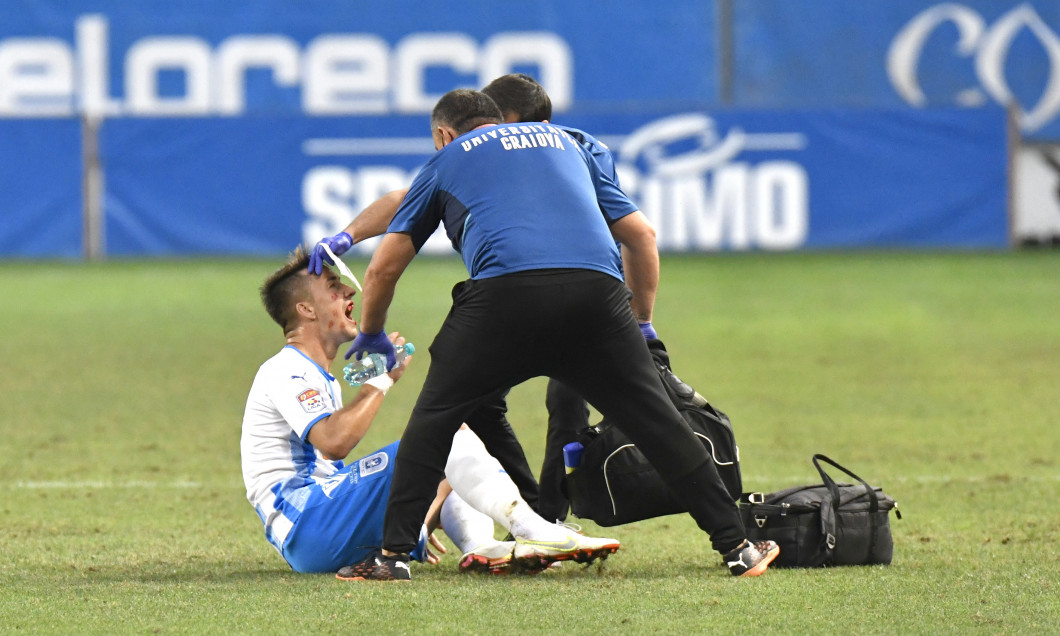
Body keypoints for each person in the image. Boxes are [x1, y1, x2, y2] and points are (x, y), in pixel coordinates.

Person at [339, 89, 779, 580]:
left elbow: (383, 269)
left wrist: (371, 333)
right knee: (657, 422)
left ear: (444, 134)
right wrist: (641, 324)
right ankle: (738, 546)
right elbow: (640, 234)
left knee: (435, 421)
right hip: (598, 296)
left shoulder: (447, 160)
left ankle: (393, 557)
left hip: (504, 296)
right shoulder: (571, 143)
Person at [307, 73, 654, 522]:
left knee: (564, 401)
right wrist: (348, 235)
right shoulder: (521, 150)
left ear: (508, 122)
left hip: (575, 299)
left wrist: (640, 320)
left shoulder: (571, 149)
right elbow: (406, 198)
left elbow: (633, 233)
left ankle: (548, 516)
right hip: (534, 299)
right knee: (490, 403)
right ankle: (539, 514)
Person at [240, 246, 620, 579]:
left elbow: (329, 462)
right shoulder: (287, 370)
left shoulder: (316, 375)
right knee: (444, 437)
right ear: (305, 309)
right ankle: (534, 528)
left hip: (317, 524)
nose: (349, 291)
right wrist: (383, 382)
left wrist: (415, 501)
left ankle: (480, 548)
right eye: (333, 287)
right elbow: (334, 442)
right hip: (309, 522)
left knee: (438, 459)